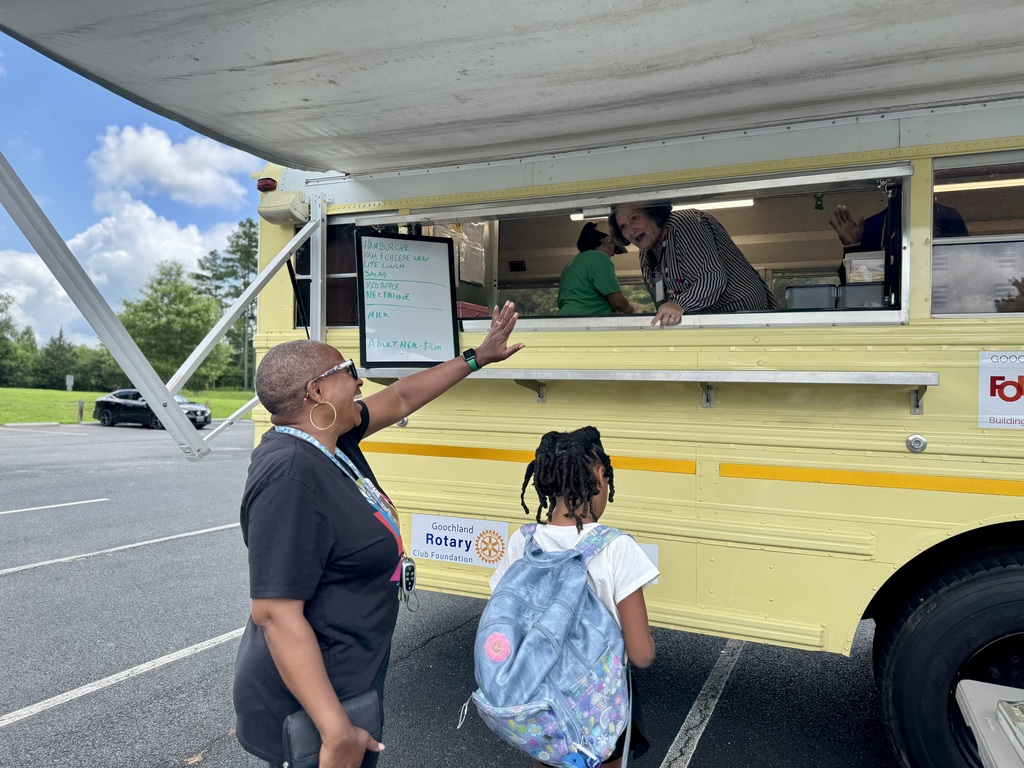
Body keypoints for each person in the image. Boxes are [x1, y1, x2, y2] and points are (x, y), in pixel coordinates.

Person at [233, 302, 525, 768]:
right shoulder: (290, 473)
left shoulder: (331, 442)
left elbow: (403, 398)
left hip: (348, 682)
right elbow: (274, 614)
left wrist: (478, 357)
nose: (360, 381)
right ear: (316, 391)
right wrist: (335, 730)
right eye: (348, 370)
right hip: (314, 709)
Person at [489, 426, 659, 768]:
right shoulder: (616, 548)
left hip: (540, 704)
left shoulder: (522, 542)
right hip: (598, 707)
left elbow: (507, 621)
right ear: (599, 474)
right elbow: (641, 654)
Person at [609, 204, 777, 325]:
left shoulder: (682, 222)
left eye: (635, 218)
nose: (631, 230)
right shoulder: (646, 252)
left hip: (742, 313)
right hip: (704, 321)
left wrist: (678, 304)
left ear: (652, 213)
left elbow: (712, 277)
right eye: (623, 226)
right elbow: (663, 301)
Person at [829, 201, 968, 283]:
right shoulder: (873, 225)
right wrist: (852, 246)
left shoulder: (946, 217)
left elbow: (966, 267)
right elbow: (854, 285)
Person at [557, 221, 636, 315]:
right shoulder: (600, 257)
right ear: (607, 240)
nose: (613, 254)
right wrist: (632, 310)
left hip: (564, 320)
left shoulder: (570, 265)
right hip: (586, 323)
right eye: (616, 248)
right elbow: (618, 303)